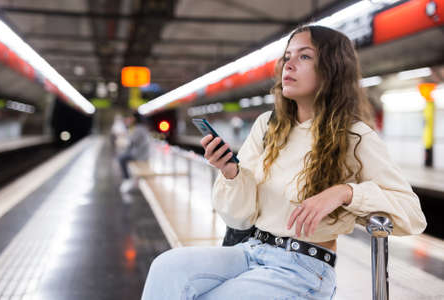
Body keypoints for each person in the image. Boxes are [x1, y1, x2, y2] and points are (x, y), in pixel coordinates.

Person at [140, 25, 427, 299]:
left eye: (304, 56)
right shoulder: (268, 126)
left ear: (331, 69)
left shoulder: (355, 136)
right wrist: (230, 173)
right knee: (166, 268)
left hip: (303, 269)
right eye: (287, 57)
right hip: (250, 251)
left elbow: (413, 215)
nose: (288, 65)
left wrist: (345, 192)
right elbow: (240, 217)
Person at [118, 112, 150, 193]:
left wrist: (126, 128)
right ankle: (129, 180)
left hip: (140, 155)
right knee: (124, 155)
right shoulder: (141, 128)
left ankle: (127, 179)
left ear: (135, 119)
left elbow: (130, 141)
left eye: (131, 118)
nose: (130, 120)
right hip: (140, 153)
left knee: (121, 159)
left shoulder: (139, 129)